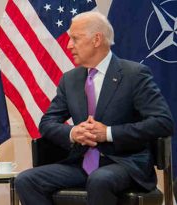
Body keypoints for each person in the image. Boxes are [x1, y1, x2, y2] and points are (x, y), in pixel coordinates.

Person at [15, 11, 174, 205]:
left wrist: (107, 133)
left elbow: (163, 122)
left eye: (75, 38)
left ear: (96, 39)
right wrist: (73, 132)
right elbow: (47, 123)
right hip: (81, 163)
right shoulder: (70, 80)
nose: (69, 45)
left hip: (123, 163)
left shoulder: (134, 75)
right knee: (26, 181)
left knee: (100, 179)